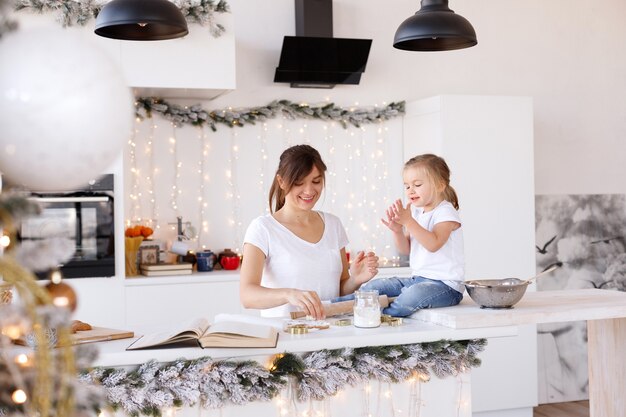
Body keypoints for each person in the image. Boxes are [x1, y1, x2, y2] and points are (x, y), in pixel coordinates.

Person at [239, 144, 379, 319]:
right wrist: (288, 294)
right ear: (281, 181)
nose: (309, 191)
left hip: (332, 334)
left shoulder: (333, 224)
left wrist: (355, 280)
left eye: (316, 181)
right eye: (299, 183)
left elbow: (339, 289)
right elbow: (247, 295)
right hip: (286, 337)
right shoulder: (263, 228)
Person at [335, 153, 464, 317]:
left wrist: (409, 222)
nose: (411, 190)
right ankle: (334, 307)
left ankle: (380, 316)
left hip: (446, 287)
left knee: (411, 296)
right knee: (375, 287)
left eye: (417, 184)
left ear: (440, 185)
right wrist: (397, 230)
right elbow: (406, 250)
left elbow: (434, 244)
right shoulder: (416, 212)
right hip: (417, 280)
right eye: (407, 186)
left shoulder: (446, 212)